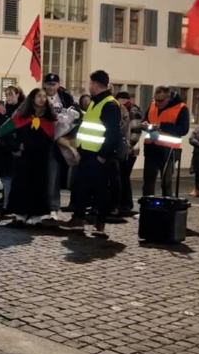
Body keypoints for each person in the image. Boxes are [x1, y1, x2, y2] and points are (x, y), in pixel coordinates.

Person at [64, 70, 122, 238]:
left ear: (96, 84)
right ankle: (78, 219)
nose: (88, 87)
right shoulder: (95, 103)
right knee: (81, 188)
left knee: (100, 191)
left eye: (89, 83)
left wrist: (102, 155)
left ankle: (100, 223)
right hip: (87, 153)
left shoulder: (110, 104)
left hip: (98, 156)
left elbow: (112, 134)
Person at [4, 88, 57, 226]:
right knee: (22, 184)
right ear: (32, 98)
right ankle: (20, 214)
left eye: (44, 96)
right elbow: (5, 131)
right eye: (39, 96)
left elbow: (52, 136)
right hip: (24, 157)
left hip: (41, 157)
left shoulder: (49, 117)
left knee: (39, 185)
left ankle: (37, 215)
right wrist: (15, 147)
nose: (42, 99)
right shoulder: (22, 115)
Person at [142, 86, 190, 197]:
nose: (157, 103)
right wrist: (145, 124)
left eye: (160, 100)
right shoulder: (153, 105)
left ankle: (167, 209)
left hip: (169, 150)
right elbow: (146, 120)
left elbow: (183, 129)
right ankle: (147, 209)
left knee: (166, 183)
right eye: (155, 99)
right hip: (151, 148)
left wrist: (162, 126)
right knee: (148, 183)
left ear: (169, 97)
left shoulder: (181, 108)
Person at [43, 74, 78, 220]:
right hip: (43, 139)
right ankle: (43, 206)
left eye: (54, 84)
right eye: (49, 84)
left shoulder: (65, 97)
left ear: (58, 85)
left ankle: (53, 207)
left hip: (61, 139)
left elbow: (75, 114)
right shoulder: (39, 96)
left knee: (55, 175)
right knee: (43, 176)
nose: (51, 87)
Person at [0, 86, 25, 211]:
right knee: (5, 177)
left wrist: (19, 145)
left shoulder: (22, 110)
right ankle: (6, 202)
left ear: (17, 94)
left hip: (17, 148)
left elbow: (19, 128)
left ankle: (11, 203)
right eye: (6, 95)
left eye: (11, 94)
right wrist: (2, 115)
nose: (8, 97)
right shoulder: (4, 110)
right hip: (4, 149)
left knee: (15, 178)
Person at [116, 91, 143, 214]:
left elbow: (136, 132)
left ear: (122, 100)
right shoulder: (127, 109)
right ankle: (124, 203)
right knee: (122, 176)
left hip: (130, 150)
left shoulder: (133, 111)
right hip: (126, 149)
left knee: (124, 176)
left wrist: (127, 146)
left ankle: (126, 204)